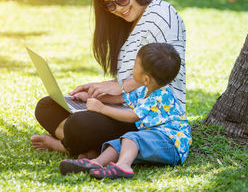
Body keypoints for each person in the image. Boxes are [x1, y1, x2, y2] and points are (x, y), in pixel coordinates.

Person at [31, 0, 186, 158]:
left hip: (149, 120)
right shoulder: (126, 24)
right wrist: (100, 90)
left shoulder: (161, 15)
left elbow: (158, 77)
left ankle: (68, 145)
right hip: (121, 107)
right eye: (111, 5)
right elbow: (133, 78)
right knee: (47, 106)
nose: (119, 9)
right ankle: (88, 145)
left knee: (79, 125)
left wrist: (118, 88)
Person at [59, 43, 191, 179]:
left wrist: (101, 108)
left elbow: (132, 116)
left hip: (171, 144)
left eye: (135, 66)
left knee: (131, 137)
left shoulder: (161, 95)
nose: (132, 69)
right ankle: (95, 163)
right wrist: (89, 97)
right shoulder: (145, 89)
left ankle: (123, 166)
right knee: (119, 142)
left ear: (146, 79)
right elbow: (121, 98)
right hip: (154, 137)